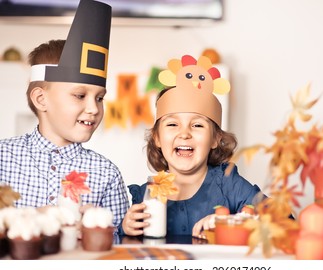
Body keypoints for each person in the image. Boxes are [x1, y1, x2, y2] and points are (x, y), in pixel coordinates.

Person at [0, 0, 129, 236]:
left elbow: (119, 244)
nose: (93, 108)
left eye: (99, 98)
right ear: (41, 99)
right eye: (80, 95)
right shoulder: (3, 158)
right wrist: (37, 217)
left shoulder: (106, 173)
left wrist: (98, 230)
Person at [120, 54, 261, 237]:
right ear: (157, 138)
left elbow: (282, 218)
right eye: (172, 124)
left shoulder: (228, 185)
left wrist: (230, 222)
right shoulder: (143, 197)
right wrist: (125, 228)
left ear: (215, 139)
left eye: (197, 125)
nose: (184, 133)